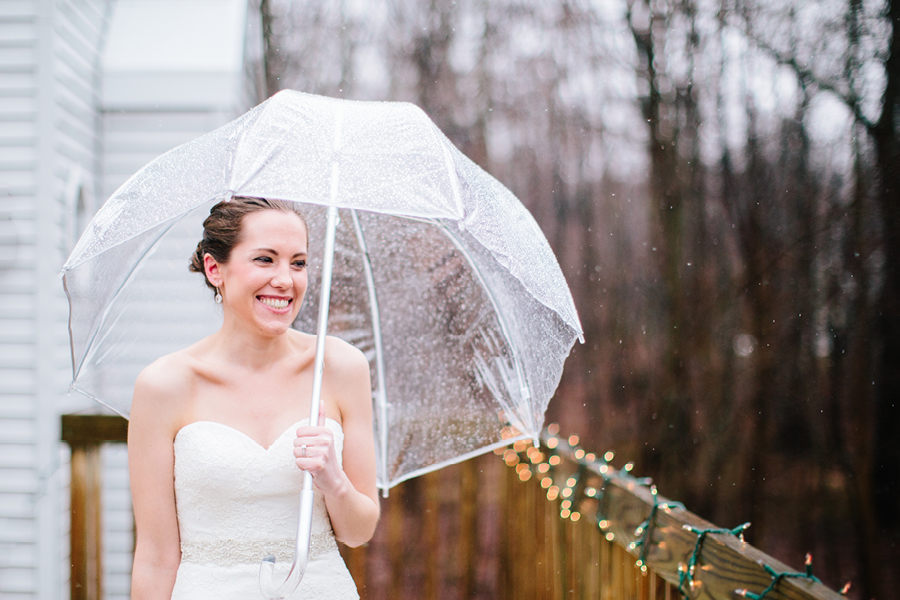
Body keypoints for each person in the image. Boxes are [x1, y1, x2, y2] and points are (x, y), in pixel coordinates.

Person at [127, 197, 379, 600]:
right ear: (215, 269)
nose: (285, 280)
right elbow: (156, 556)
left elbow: (358, 532)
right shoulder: (163, 386)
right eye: (266, 259)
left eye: (298, 263)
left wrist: (335, 482)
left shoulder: (341, 367)